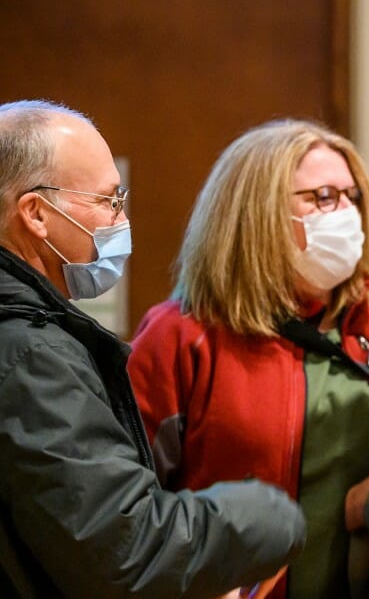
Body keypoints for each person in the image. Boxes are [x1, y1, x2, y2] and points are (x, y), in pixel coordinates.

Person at [128, 118, 369, 599]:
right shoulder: (181, 335)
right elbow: (130, 508)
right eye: (322, 197)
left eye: (352, 197)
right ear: (257, 213)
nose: (346, 213)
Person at [0, 100, 306, 598]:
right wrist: (263, 517)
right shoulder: (30, 355)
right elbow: (123, 549)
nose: (120, 219)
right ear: (36, 213)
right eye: (107, 200)